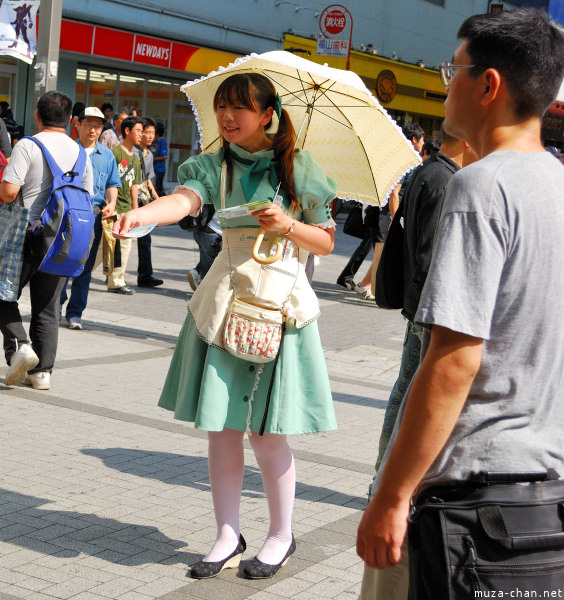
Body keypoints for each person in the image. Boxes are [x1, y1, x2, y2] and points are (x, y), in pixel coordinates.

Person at [357, 8, 564, 599]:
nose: (447, 80)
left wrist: (391, 497)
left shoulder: (481, 186)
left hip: (462, 503)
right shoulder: (557, 185)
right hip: (541, 498)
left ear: (489, 85)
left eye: (455, 67)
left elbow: (453, 360)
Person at [113, 72, 337, 580]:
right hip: (224, 302)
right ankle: (226, 534)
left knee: (266, 434)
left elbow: (323, 242)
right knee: (222, 429)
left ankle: (281, 535)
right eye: (221, 108)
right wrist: (140, 214)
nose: (227, 118)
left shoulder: (300, 169)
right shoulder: (215, 164)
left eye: (239, 108)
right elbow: (185, 200)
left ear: (268, 114)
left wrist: (288, 226)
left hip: (280, 308)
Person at [364, 126, 477, 599]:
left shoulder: (425, 172)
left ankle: (381, 472)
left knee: (404, 388)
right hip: (427, 311)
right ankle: (384, 474)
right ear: (469, 141)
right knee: (410, 390)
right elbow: (432, 252)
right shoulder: (444, 179)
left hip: (417, 305)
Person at [0, 91, 93, 390]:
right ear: (70, 121)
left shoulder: (29, 144)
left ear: (37, 116)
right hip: (64, 239)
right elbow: (87, 196)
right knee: (47, 308)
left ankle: (20, 346)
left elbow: (9, 192)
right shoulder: (81, 152)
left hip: (25, 236)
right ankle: (42, 373)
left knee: (3, 292)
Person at [60, 107, 121, 330]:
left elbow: (113, 184)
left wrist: (112, 203)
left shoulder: (107, 155)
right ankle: (56, 304)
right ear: (77, 124)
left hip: (93, 216)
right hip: (66, 215)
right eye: (88, 124)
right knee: (62, 260)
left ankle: (75, 313)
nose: (93, 129)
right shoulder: (68, 150)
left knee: (84, 266)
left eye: (97, 125)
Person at [107, 116, 143, 294]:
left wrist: (135, 209)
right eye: (138, 131)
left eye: (142, 131)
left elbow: (134, 185)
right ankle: (82, 273)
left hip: (126, 209)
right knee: (104, 246)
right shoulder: (114, 153)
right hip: (113, 207)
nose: (141, 135)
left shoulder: (135, 159)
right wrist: (109, 203)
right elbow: (107, 179)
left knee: (124, 246)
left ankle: (117, 280)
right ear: (127, 131)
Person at [134, 117, 163, 288]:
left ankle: (145, 275)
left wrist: (158, 200)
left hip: (143, 200)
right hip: (130, 200)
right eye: (147, 132)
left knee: (145, 238)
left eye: (153, 133)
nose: (151, 136)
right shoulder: (133, 152)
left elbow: (147, 180)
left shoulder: (149, 154)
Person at [152, 120, 168, 196]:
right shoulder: (154, 141)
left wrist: (154, 159)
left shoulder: (162, 141)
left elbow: (165, 156)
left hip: (160, 169)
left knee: (159, 188)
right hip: (154, 168)